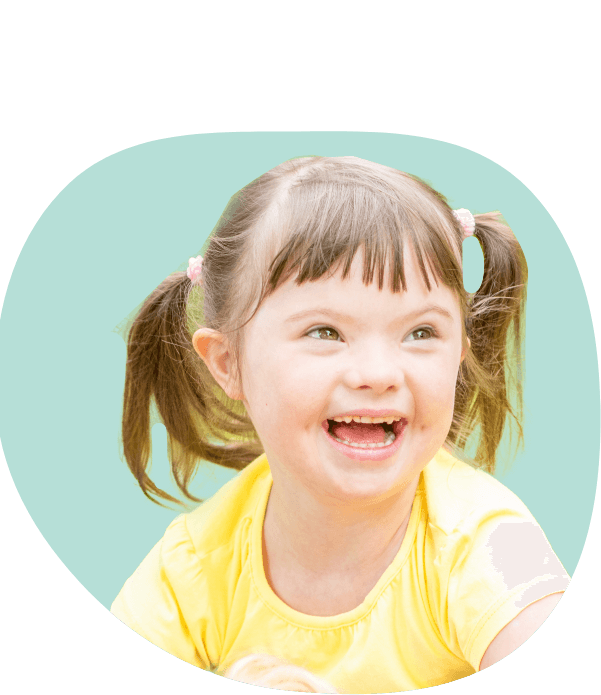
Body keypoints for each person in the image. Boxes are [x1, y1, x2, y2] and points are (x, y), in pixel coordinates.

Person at [110, 156, 570, 692]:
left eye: (421, 332)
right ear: (229, 363)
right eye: (325, 332)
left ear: (459, 357)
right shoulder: (193, 569)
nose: (378, 373)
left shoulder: (486, 549)